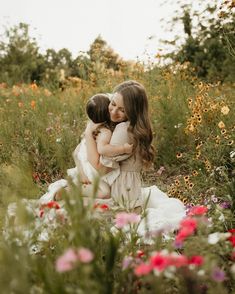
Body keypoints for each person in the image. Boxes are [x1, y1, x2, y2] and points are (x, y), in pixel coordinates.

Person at [68, 93, 133, 199]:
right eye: (111, 105)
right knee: (105, 192)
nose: (113, 110)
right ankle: (73, 191)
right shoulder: (105, 131)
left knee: (105, 191)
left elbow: (77, 152)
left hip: (84, 161)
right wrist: (123, 149)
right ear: (107, 112)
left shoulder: (94, 126)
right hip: (91, 169)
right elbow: (102, 149)